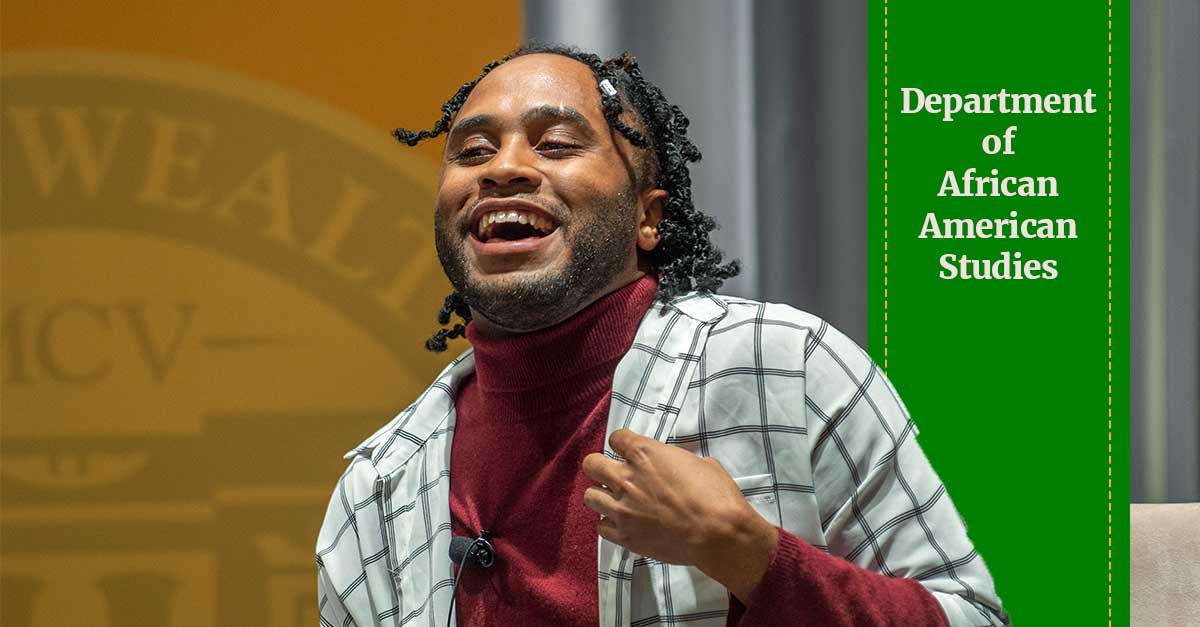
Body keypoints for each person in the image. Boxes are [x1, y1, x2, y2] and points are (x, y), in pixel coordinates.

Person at [316, 43, 1009, 627]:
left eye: (556, 143)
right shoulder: (380, 482)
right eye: (471, 151)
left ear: (649, 218)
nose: (503, 168)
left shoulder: (785, 365)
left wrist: (749, 553)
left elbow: (973, 616)